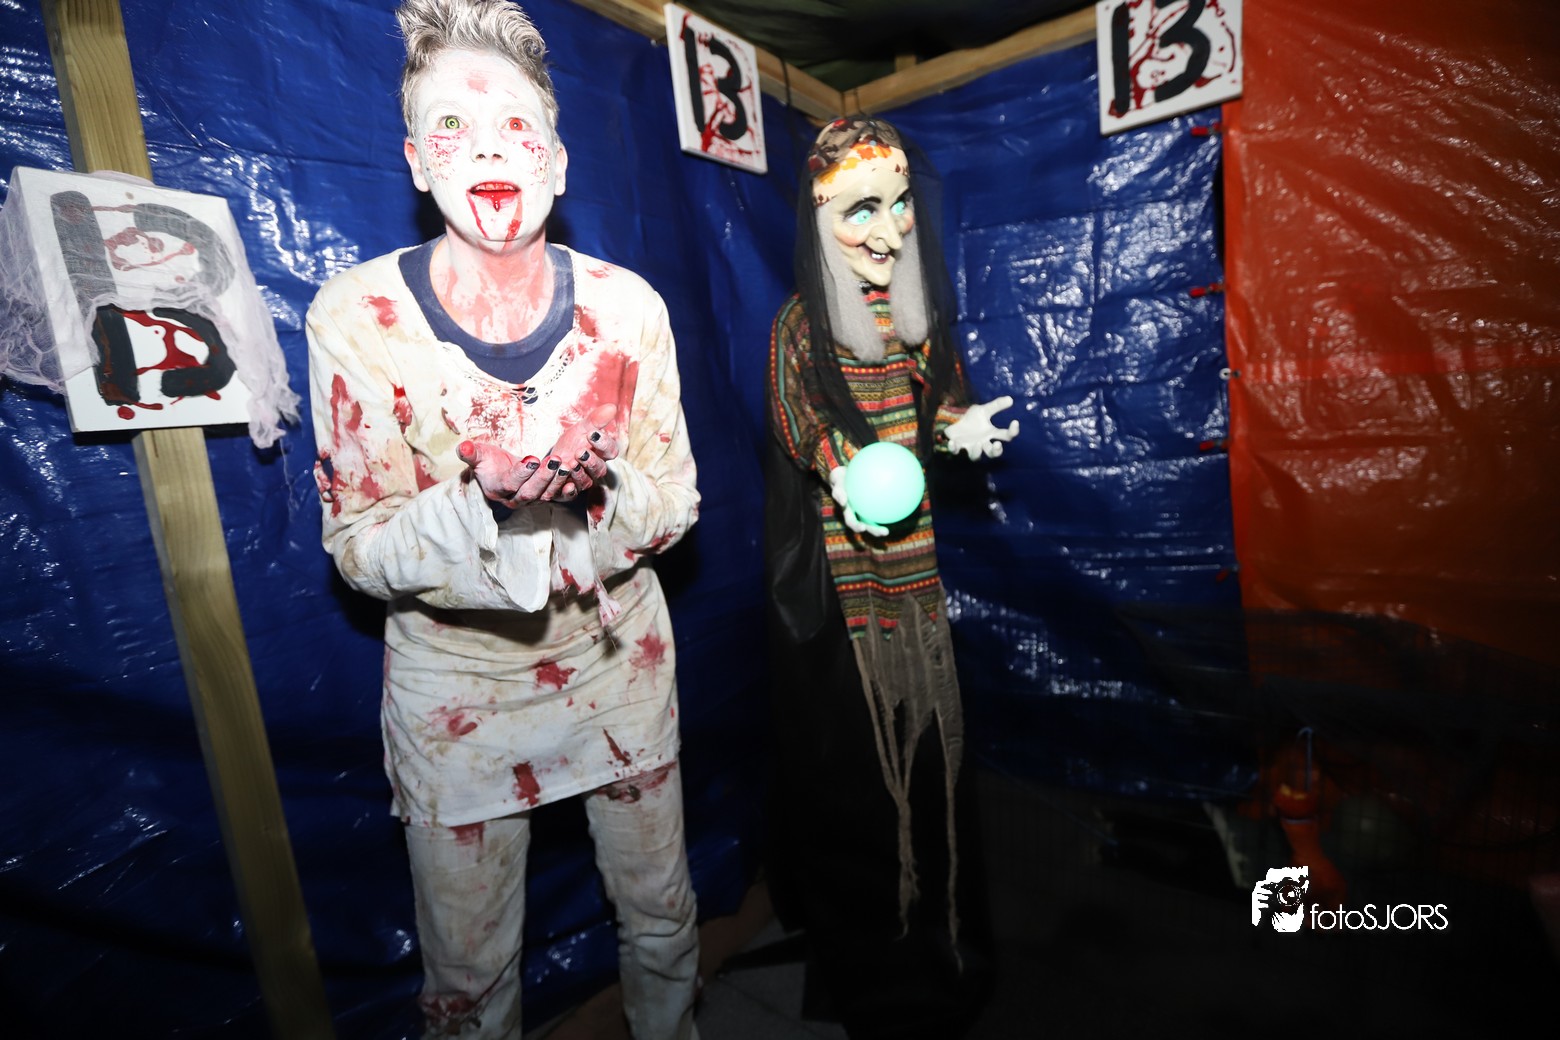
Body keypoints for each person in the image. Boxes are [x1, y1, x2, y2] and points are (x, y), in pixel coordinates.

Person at [305, 1, 700, 1036]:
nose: (486, 148)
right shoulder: (357, 318)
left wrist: (594, 489)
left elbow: (677, 501)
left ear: (558, 165)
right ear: (416, 164)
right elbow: (358, 547)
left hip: (617, 662)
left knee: (661, 916)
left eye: (516, 126)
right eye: (451, 127)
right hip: (457, 693)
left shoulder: (629, 310)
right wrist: (477, 500)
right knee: (469, 980)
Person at [764, 117, 1017, 1039]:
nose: (890, 226)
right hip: (841, 605)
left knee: (935, 761)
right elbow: (799, 422)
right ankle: (874, 965)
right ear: (818, 218)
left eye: (900, 202)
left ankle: (940, 942)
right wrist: (842, 473)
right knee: (860, 781)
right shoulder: (802, 326)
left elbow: (941, 397)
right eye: (861, 208)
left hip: (918, 585)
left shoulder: (915, 319)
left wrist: (960, 426)